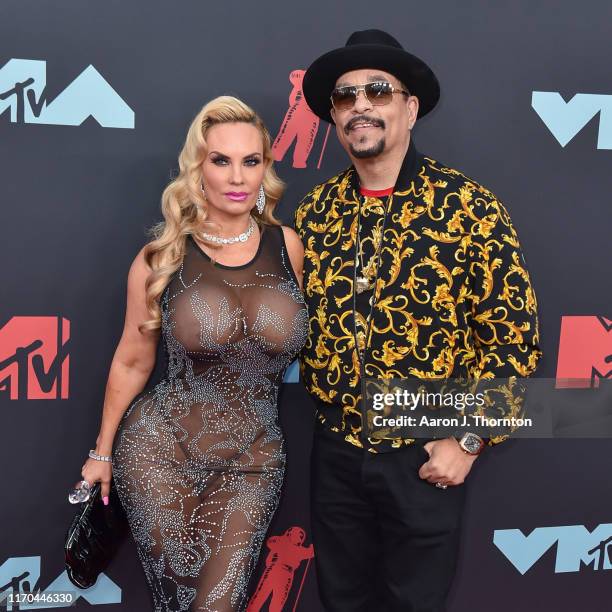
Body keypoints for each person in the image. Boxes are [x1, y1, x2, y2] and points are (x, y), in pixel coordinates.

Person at [294, 29, 542, 611]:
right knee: (341, 601)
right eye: (344, 96)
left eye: (377, 91)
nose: (359, 105)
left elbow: (513, 343)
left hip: (425, 450)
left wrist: (469, 440)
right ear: (333, 117)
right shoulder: (316, 212)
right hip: (334, 449)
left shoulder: (469, 209)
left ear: (409, 107)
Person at [79, 96, 308, 612]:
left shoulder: (288, 246)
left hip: (253, 460)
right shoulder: (162, 257)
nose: (237, 176)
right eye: (220, 160)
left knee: (217, 604)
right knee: (177, 602)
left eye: (251, 161)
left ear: (266, 168)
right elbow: (132, 360)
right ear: (196, 168)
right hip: (161, 453)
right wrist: (102, 453)